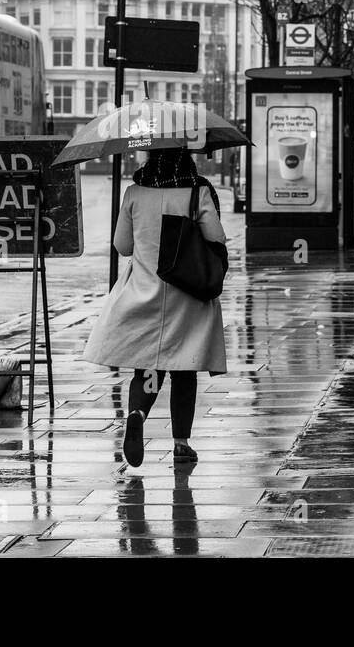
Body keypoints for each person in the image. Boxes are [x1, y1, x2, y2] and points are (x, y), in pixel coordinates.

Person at [83, 147, 227, 467]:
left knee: (148, 367)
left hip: (144, 291)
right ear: (184, 157)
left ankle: (136, 414)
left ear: (151, 158)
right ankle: (180, 443)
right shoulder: (197, 191)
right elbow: (216, 237)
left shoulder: (135, 192)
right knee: (185, 368)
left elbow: (123, 246)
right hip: (187, 295)